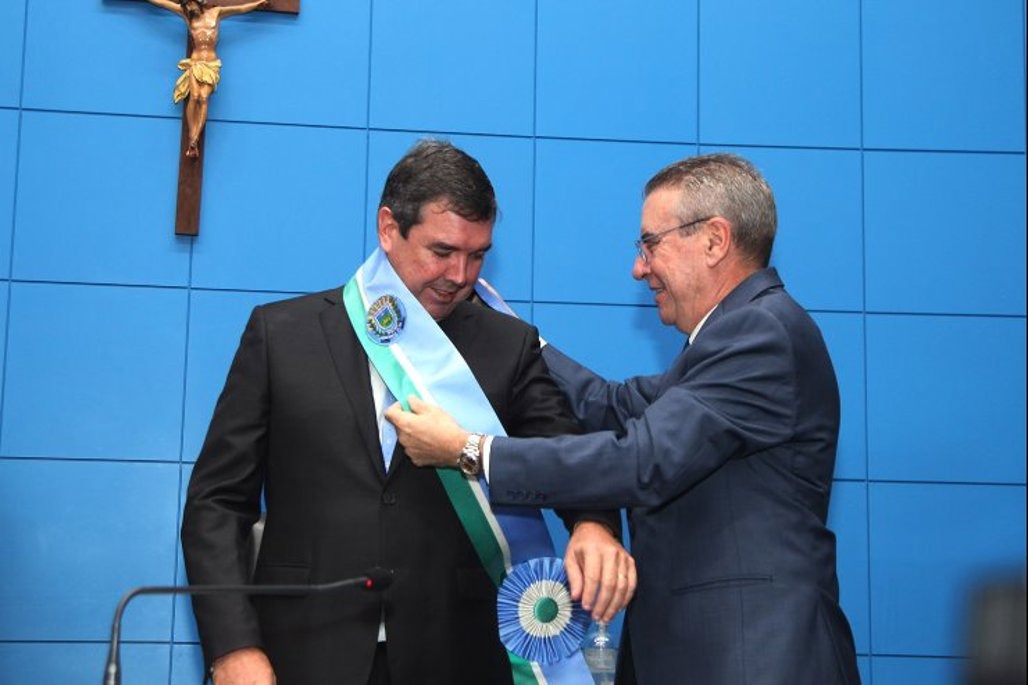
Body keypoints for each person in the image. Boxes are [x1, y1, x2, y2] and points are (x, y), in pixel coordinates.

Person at [388, 153, 862, 684]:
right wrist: (512, 338)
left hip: (754, 656)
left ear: (714, 240)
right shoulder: (728, 341)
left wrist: (470, 451)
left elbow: (640, 459)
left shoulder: (761, 334)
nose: (640, 268)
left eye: (650, 244)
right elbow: (610, 406)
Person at [182, 140, 634, 685]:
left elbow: (569, 457)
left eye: (478, 255)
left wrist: (593, 525)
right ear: (388, 228)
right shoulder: (282, 335)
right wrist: (232, 647)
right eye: (442, 251)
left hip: (455, 654)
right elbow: (216, 504)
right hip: (301, 650)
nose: (460, 275)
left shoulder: (508, 346)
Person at [145, 0, 268, 157]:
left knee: (203, 98)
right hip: (196, 63)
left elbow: (240, 9)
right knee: (194, 96)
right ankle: (192, 138)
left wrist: (257, 4)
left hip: (211, 64)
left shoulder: (216, 13)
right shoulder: (187, 16)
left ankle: (195, 138)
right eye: (186, 6)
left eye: (190, 4)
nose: (189, 8)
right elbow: (163, 3)